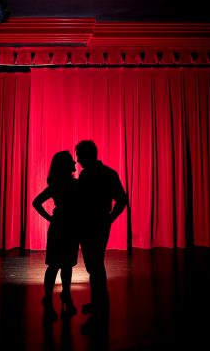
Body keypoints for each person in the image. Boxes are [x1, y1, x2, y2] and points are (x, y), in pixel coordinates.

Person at [74, 139, 128, 329]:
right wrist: (110, 218)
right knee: (94, 265)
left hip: (92, 226)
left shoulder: (91, 175)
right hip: (96, 224)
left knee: (95, 266)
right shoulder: (106, 173)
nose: (78, 160)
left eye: (79, 156)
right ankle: (98, 304)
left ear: (87, 156)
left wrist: (109, 218)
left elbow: (122, 199)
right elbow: (122, 199)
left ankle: (99, 312)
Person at [32, 150, 81, 321]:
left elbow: (36, 203)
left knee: (55, 264)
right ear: (65, 166)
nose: (75, 164)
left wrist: (50, 218)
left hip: (59, 225)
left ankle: (50, 296)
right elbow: (36, 203)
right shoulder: (74, 185)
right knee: (65, 264)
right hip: (70, 227)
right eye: (71, 162)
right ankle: (64, 294)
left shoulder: (55, 185)